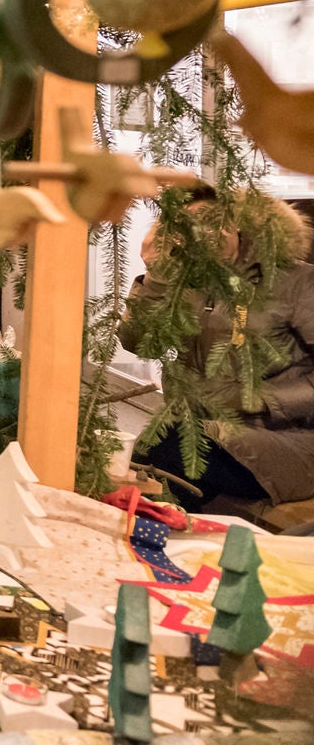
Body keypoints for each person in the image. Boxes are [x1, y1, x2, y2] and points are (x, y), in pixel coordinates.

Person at [119, 195, 314, 510]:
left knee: (165, 456)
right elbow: (140, 344)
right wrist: (155, 277)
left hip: (287, 438)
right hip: (200, 429)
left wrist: (258, 400)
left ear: (239, 223)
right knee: (142, 468)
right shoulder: (185, 279)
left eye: (216, 221)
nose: (206, 233)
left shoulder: (298, 281)